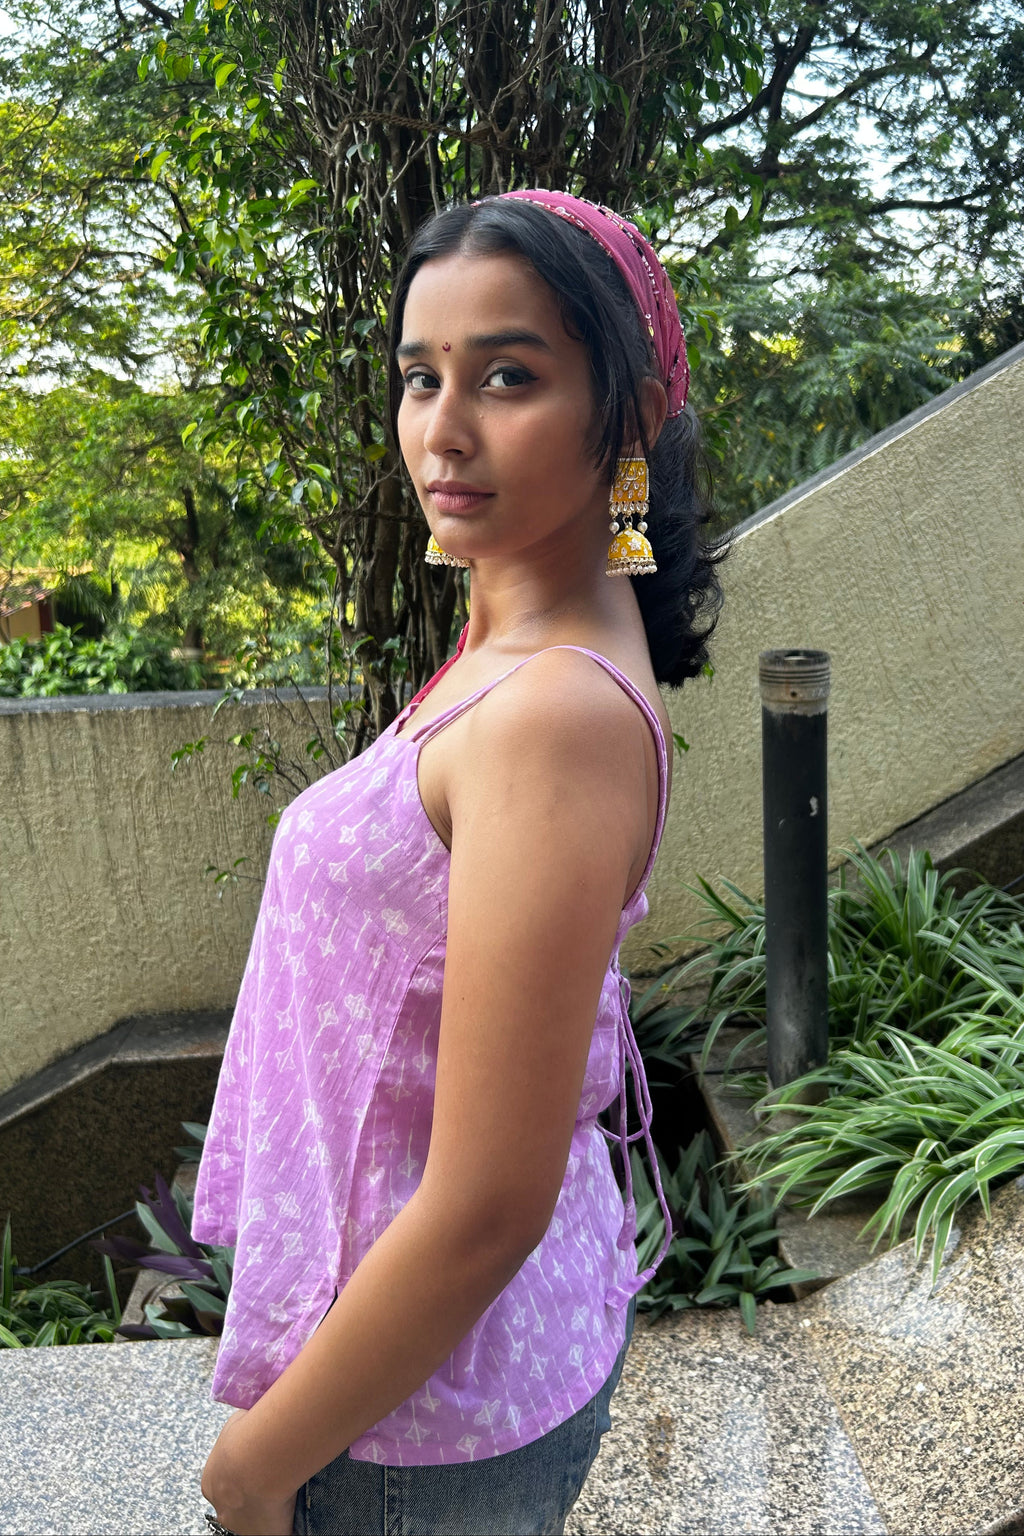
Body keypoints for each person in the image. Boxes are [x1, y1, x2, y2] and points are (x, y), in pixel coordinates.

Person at [193, 189, 722, 1536]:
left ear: (635, 412)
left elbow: (491, 1197)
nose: (444, 426)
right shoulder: (532, 637)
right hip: (452, 1367)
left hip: (416, 1426)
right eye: (421, 378)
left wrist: (257, 1470)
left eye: (509, 375)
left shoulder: (551, 714)